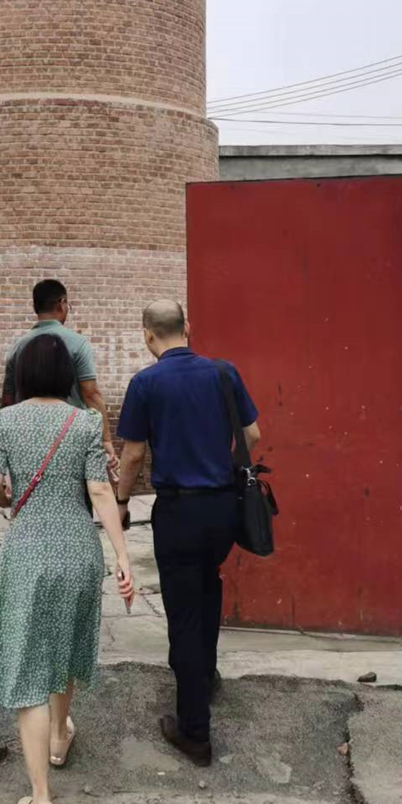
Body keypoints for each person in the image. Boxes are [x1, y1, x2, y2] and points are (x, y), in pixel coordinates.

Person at [0, 332, 135, 804]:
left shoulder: (3, 421)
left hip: (28, 553)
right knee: (64, 647)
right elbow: (100, 491)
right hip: (77, 551)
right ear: (67, 374)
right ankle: (60, 737)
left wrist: (8, 495)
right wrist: (122, 556)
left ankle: (41, 801)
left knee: (29, 671)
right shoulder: (84, 421)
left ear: (23, 374)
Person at [114, 300, 260, 767]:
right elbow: (253, 436)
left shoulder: (146, 383)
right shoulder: (223, 373)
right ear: (188, 328)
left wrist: (121, 501)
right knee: (208, 586)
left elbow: (133, 454)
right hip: (222, 507)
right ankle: (206, 676)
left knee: (183, 611)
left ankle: (194, 731)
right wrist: (222, 463)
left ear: (147, 335)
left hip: (178, 511)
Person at [1, 279, 118, 475]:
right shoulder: (78, 343)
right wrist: (105, 440)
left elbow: (7, 399)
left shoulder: (18, 346)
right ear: (62, 303)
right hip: (72, 436)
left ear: (35, 306)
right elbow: (91, 394)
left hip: (26, 440)